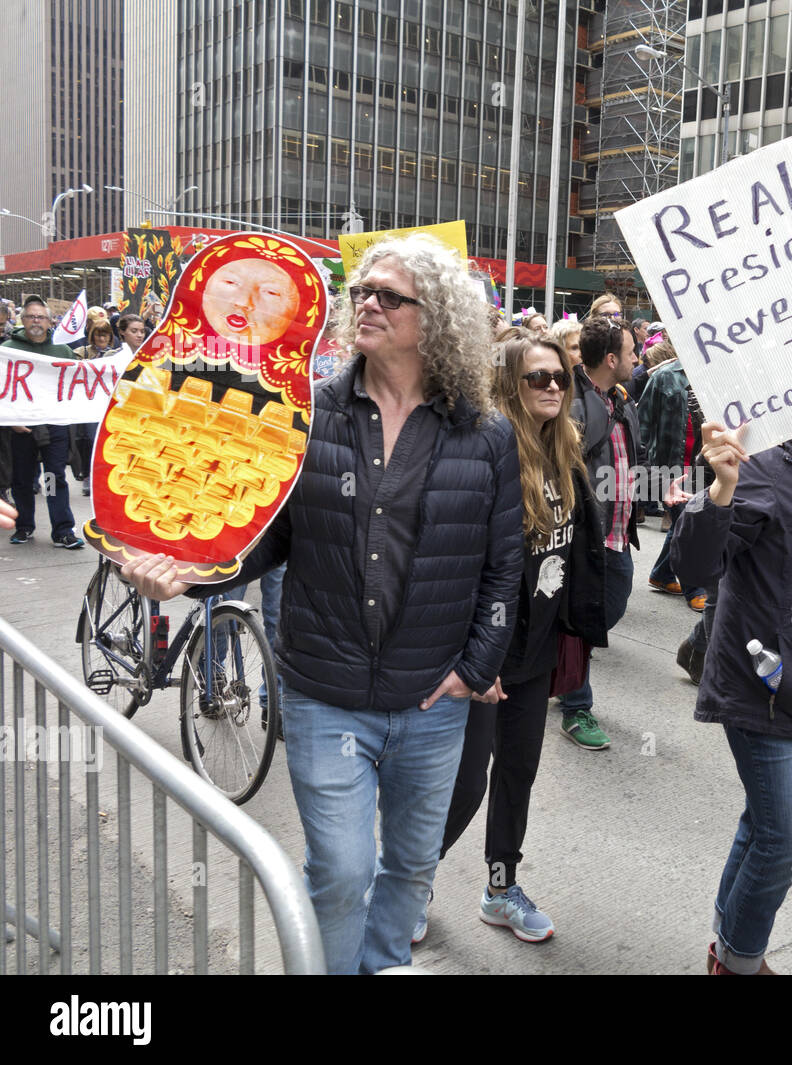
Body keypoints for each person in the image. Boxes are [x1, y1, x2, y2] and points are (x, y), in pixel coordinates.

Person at [121, 234, 524, 974]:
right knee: (341, 872)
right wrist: (189, 574)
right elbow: (263, 540)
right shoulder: (305, 414)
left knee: (408, 869)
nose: (365, 302)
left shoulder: (488, 435)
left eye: (388, 295)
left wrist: (474, 668)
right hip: (324, 696)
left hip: (436, 702)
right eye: (361, 290)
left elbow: (504, 569)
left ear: (433, 317)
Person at [412, 336, 607, 946]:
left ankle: (500, 888)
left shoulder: (566, 453)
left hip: (535, 652)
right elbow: (463, 566)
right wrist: (479, 658)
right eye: (536, 378)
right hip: (483, 656)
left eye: (559, 378)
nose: (552, 387)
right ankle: (408, 883)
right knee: (466, 783)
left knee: (517, 774)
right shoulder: (487, 457)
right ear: (508, 386)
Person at [672, 410, 792, 975]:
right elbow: (697, 567)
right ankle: (737, 961)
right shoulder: (764, 461)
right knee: (786, 842)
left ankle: (726, 939)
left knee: (763, 824)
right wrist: (722, 488)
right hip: (763, 684)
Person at [560, 315, 641, 750]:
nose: (637, 357)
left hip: (617, 533)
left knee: (606, 609)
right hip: (586, 536)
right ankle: (576, 707)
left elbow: (629, 459)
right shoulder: (571, 403)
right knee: (586, 618)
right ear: (611, 359)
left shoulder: (621, 398)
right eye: (631, 351)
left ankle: (563, 670)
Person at [5, 295, 85, 549]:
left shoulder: (61, 351)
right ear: (23, 320)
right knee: (23, 479)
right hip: (21, 426)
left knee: (53, 477)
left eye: (41, 316)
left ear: (50, 321)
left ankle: (62, 530)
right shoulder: (8, 349)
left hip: (54, 427)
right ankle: (24, 526)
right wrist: (11, 421)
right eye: (31, 316)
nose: (36, 321)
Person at [639, 339, 706, 611]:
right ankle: (695, 587)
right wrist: (647, 471)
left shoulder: (713, 377)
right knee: (691, 528)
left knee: (685, 524)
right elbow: (642, 424)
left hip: (701, 467)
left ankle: (662, 573)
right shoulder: (665, 377)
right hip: (670, 468)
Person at [71, 319, 120, 495]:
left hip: (107, 405)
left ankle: (101, 477)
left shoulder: (116, 354)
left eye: (105, 334)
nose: (102, 338)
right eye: (99, 334)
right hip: (87, 404)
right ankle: (87, 476)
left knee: (104, 441)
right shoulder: (80, 352)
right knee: (87, 441)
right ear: (92, 336)